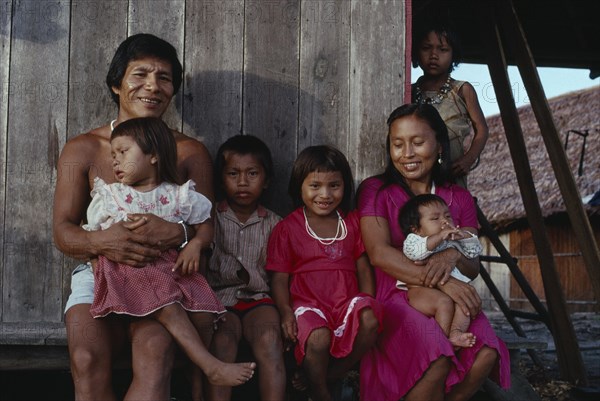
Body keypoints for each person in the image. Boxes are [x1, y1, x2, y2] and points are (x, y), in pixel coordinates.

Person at [53, 33, 215, 401]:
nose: (153, 87)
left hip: (166, 278)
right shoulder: (83, 149)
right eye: (140, 74)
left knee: (156, 355)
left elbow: (208, 232)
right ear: (116, 83)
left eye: (165, 77)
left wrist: (178, 232)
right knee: (85, 357)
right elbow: (62, 230)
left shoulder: (190, 152)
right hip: (98, 273)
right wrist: (102, 241)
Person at [85, 117, 255, 388]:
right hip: (133, 271)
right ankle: (210, 366)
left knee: (203, 317)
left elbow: (205, 227)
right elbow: (94, 237)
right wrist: (97, 262)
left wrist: (196, 244)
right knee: (170, 308)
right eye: (113, 154)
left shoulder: (179, 195)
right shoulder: (113, 196)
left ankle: (196, 381)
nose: (115, 161)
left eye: (123, 152)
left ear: (153, 155)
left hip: (173, 270)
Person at [358, 104, 509, 401]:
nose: (407, 153)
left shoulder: (460, 197)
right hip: (397, 295)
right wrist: (442, 281)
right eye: (398, 144)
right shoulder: (375, 191)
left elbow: (472, 265)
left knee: (486, 353)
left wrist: (452, 256)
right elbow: (379, 254)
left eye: (417, 142)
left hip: (451, 299)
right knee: (436, 355)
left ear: (439, 143)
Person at [266, 145, 382, 401]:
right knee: (318, 337)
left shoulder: (351, 223)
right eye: (315, 186)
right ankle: (320, 393)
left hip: (345, 302)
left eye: (334, 185)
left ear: (345, 186)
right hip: (308, 304)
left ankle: (329, 375)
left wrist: (367, 301)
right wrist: (285, 312)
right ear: (300, 186)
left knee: (372, 319)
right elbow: (280, 277)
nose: (325, 194)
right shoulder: (287, 228)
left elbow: (363, 268)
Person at [205, 135, 286, 401]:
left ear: (267, 180)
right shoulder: (210, 218)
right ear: (221, 179)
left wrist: (286, 313)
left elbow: (278, 276)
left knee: (270, 341)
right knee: (222, 343)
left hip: (260, 301)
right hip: (220, 302)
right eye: (233, 173)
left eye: (252, 173)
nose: (242, 182)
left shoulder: (275, 224)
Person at [398, 193, 483, 349]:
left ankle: (455, 333)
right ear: (416, 229)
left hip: (449, 289)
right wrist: (439, 237)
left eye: (448, 216)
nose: (445, 221)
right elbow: (415, 254)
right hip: (420, 289)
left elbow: (474, 252)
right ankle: (440, 342)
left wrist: (465, 237)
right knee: (444, 303)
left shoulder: (452, 241)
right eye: (435, 219)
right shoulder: (415, 240)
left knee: (464, 306)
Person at [412, 22, 489, 188]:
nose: (434, 55)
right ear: (416, 53)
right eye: (426, 48)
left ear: (454, 55)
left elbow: (482, 130)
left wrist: (468, 159)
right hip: (416, 173)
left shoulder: (462, 90)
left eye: (443, 49)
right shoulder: (409, 91)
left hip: (451, 173)